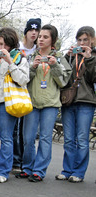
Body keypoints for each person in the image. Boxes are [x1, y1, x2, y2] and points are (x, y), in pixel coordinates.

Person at [17, 24, 71, 182]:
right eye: (40, 36)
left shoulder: (59, 57)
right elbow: (23, 80)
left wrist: (54, 66)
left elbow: (63, 82)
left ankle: (39, 171)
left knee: (45, 138)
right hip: (32, 103)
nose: (41, 39)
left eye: (45, 37)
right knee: (28, 138)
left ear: (53, 40)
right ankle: (27, 168)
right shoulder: (31, 56)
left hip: (50, 104)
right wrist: (32, 68)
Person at [0, 27, 30, 183]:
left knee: (6, 137)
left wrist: (9, 62)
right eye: (0, 44)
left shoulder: (19, 58)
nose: (2, 48)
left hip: (6, 101)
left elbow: (23, 79)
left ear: (12, 45)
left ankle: (3, 171)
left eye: (6, 45)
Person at [56, 26, 96, 183]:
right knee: (69, 138)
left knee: (82, 138)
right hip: (69, 100)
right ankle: (67, 169)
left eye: (85, 39)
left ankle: (79, 172)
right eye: (79, 39)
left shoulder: (93, 56)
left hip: (86, 102)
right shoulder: (72, 56)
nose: (82, 42)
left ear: (92, 39)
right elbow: (63, 75)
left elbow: (93, 77)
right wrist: (67, 56)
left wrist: (89, 58)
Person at [13, 18, 41, 173]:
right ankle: (16, 160)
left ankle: (26, 161)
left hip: (32, 93)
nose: (34, 33)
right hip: (17, 92)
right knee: (15, 129)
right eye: (31, 30)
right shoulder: (19, 48)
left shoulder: (39, 51)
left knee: (27, 131)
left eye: (36, 31)